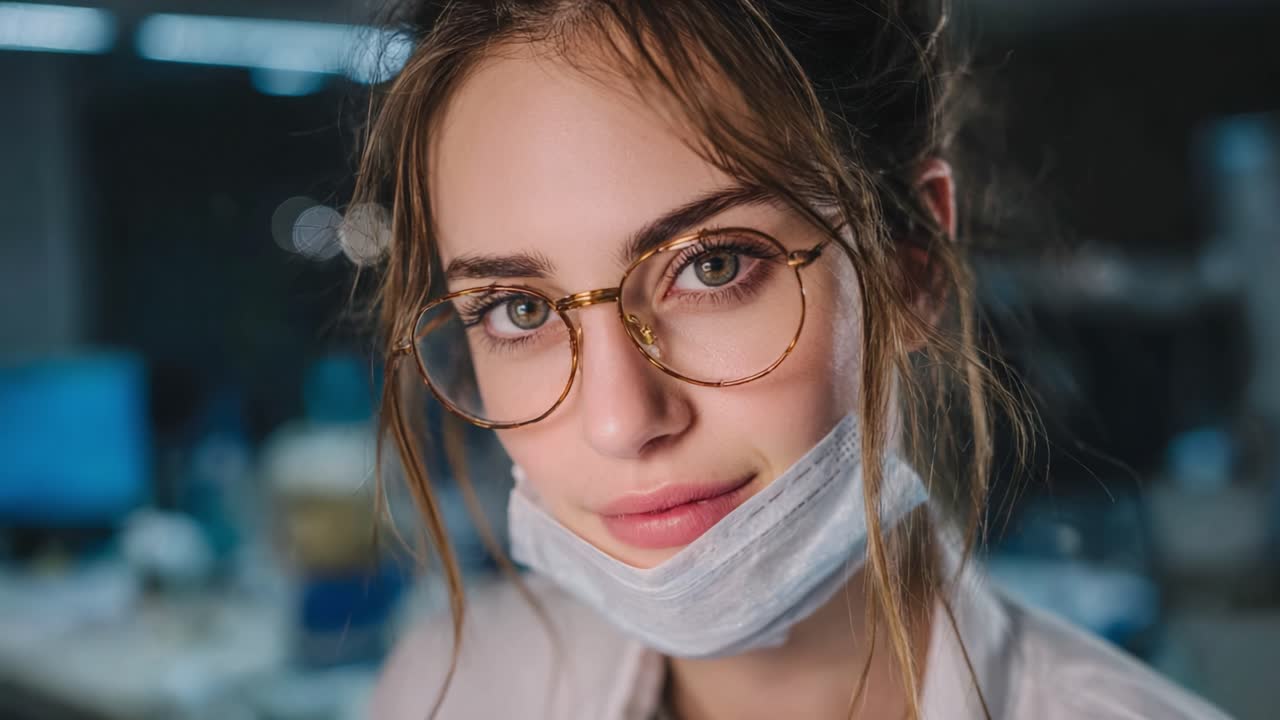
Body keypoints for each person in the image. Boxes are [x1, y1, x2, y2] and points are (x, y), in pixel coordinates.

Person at [352, 1, 1233, 718]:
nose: (623, 420)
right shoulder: (450, 689)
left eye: (713, 264)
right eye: (520, 309)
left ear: (909, 259)